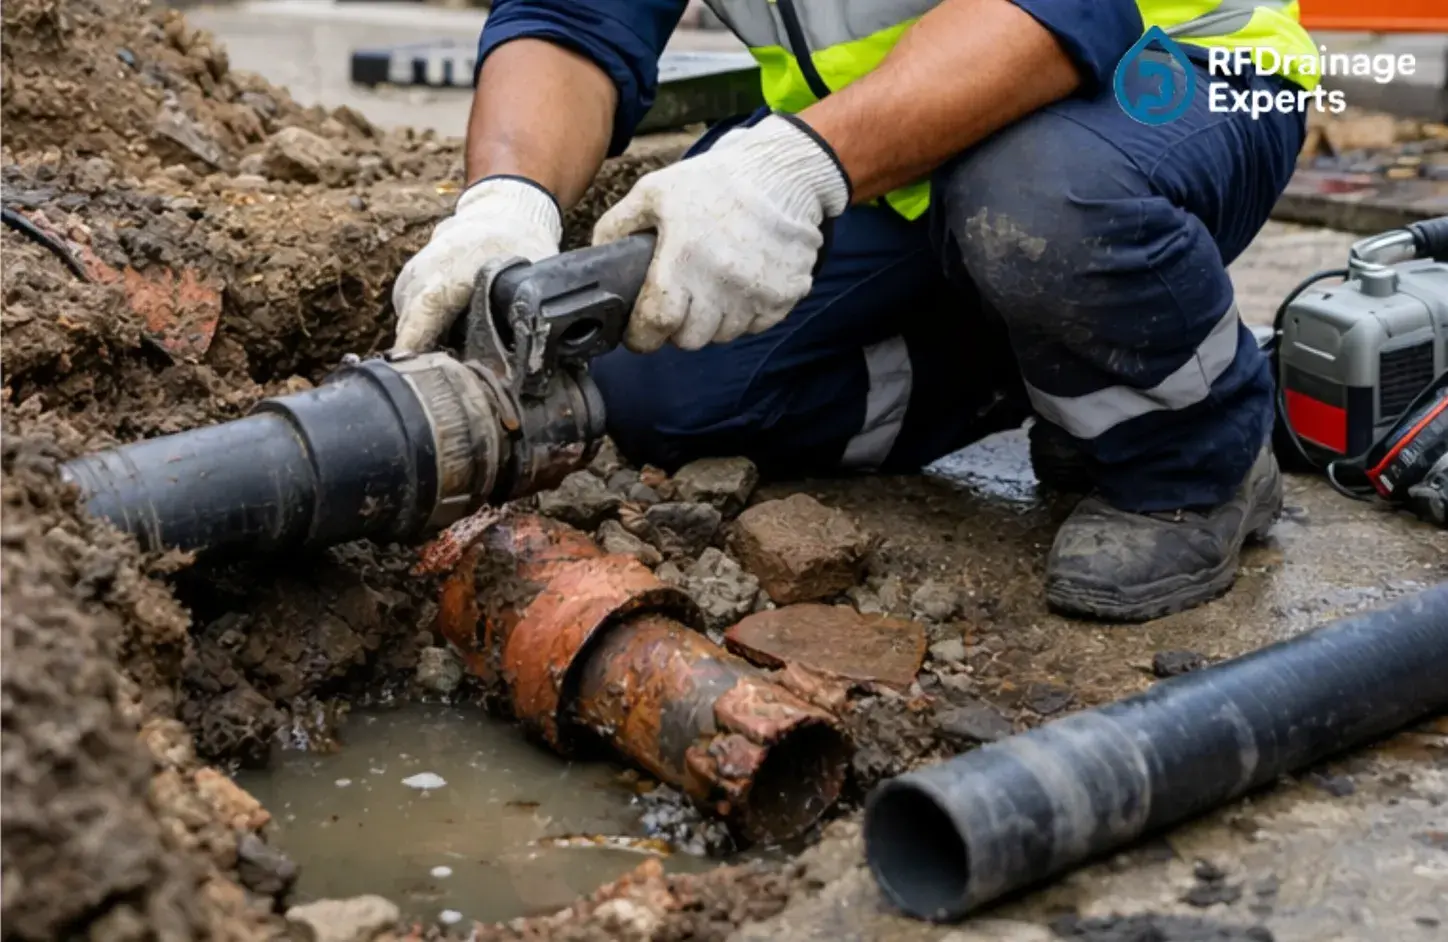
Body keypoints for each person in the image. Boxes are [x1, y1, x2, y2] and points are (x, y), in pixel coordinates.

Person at [391, 0, 1318, 622]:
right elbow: (572, 19)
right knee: (666, 390)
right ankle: (1067, 362)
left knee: (1039, 208)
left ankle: (1198, 462)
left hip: (1160, 77)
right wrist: (507, 201)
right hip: (897, 134)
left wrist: (793, 168)